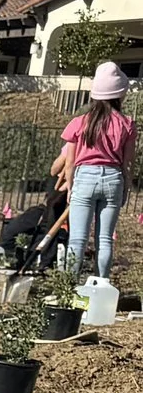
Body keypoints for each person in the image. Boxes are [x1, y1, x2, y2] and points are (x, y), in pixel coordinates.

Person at [59, 62, 133, 276]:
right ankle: (103, 283)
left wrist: (71, 187)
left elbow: (70, 162)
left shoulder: (80, 122)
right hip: (113, 178)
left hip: (84, 178)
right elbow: (127, 163)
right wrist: (125, 187)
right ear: (119, 94)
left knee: (77, 239)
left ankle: (68, 288)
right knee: (105, 239)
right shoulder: (127, 124)